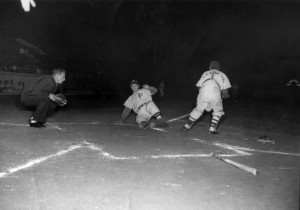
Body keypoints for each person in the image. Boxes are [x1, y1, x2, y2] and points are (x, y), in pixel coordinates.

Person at [181, 60, 231, 134]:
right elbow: (224, 91)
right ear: (219, 67)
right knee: (218, 111)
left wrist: (203, 98)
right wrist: (225, 96)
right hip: (215, 93)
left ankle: (186, 126)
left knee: (198, 110)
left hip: (203, 93)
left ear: (210, 67)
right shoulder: (222, 74)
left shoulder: (205, 73)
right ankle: (212, 130)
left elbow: (199, 87)